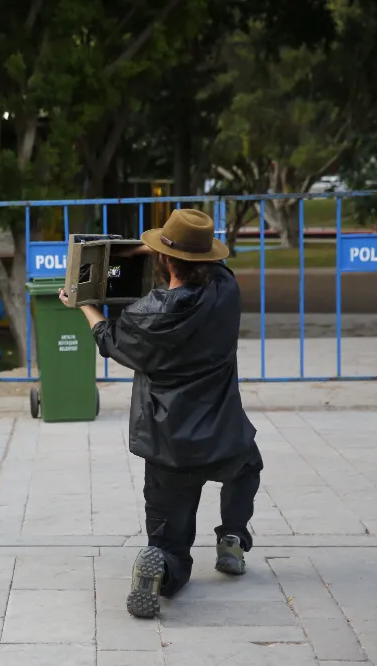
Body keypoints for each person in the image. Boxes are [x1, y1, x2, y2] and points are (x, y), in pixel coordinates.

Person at [59, 208, 264, 619]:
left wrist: (83, 304)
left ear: (165, 261)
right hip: (224, 429)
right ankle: (233, 540)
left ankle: (163, 571)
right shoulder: (226, 289)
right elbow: (211, 265)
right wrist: (163, 251)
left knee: (171, 543)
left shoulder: (147, 316)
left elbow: (109, 338)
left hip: (170, 442)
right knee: (247, 467)